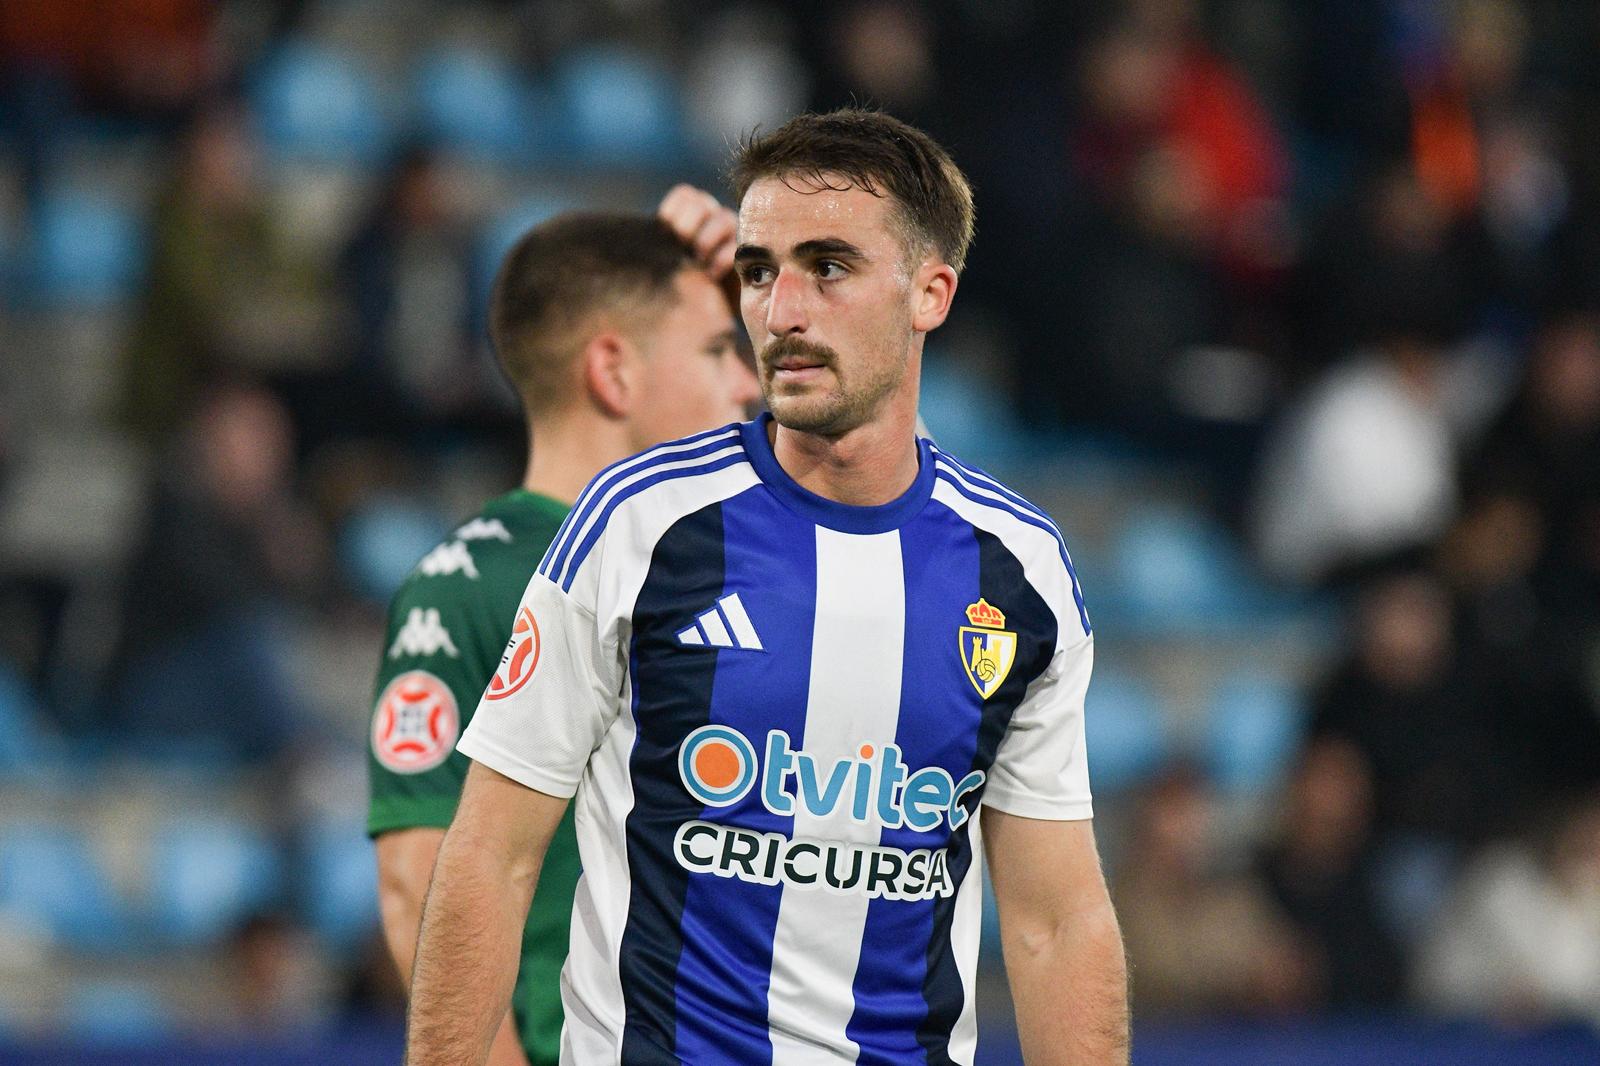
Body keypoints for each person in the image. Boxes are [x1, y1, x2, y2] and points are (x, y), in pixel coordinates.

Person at [407, 108, 1129, 1065]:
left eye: (828, 267)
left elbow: (1055, 921)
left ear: (931, 293)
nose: (783, 310)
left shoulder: (1019, 570)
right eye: (757, 271)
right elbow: (490, 856)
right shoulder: (637, 524)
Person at [369, 199, 759, 1066]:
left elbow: (923, 543)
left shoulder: (738, 562)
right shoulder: (473, 585)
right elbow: (416, 885)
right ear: (613, 372)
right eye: (716, 350)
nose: (748, 383)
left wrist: (766, 287)